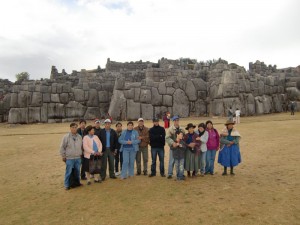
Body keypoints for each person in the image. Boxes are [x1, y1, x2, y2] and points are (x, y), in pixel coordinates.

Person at [59, 123, 83, 190]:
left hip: (78, 157)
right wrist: (63, 156)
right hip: (69, 158)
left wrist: (81, 153)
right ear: (70, 128)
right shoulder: (66, 137)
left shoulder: (79, 137)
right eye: (73, 127)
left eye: (75, 127)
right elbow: (62, 147)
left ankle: (77, 182)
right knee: (68, 172)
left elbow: (81, 146)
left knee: (77, 171)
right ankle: (66, 185)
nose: (74, 129)